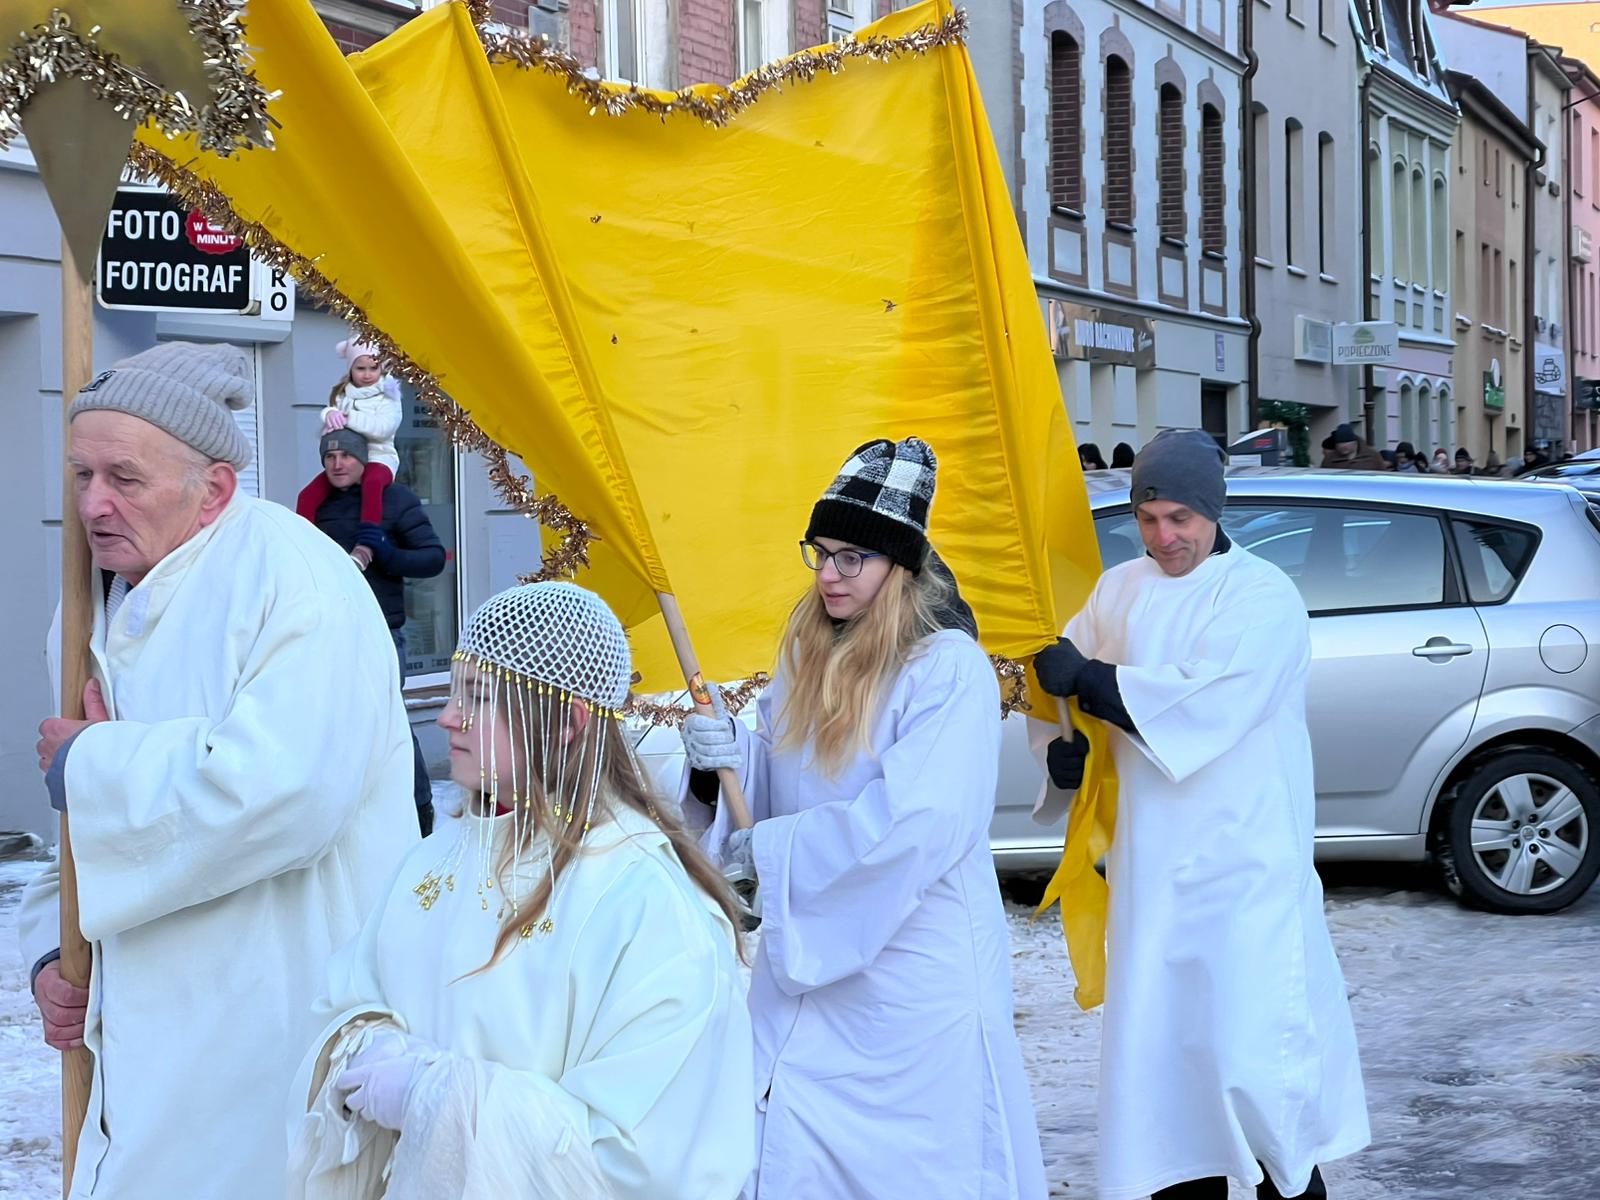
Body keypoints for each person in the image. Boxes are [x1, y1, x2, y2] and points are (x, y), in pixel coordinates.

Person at [23, 342, 418, 1200]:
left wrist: (95, 764)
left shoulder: (296, 581)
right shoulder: (88, 604)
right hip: (136, 1044)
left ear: (213, 490)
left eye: (124, 478)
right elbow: (80, 836)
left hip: (271, 1021)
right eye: (82, 474)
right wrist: (55, 951)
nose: (92, 503)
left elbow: (290, 792)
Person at [286, 582, 754, 1199]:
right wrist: (362, 1044)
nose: (448, 717)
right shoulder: (438, 854)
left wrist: (435, 1097)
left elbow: (644, 1157)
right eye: (454, 694)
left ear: (566, 722)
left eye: (478, 698)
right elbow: (349, 995)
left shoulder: (646, 900)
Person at [679, 437, 1046, 1199]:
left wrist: (771, 855)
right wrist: (719, 766)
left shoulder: (947, 669)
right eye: (821, 554)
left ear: (899, 567)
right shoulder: (808, 656)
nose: (828, 574)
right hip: (814, 966)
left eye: (853, 558)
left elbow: (919, 821)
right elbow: (775, 777)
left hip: (913, 977)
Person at [1029, 429, 1369, 1200]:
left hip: (1245, 871)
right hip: (1151, 876)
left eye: (1180, 518)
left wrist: (1092, 682)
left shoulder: (1260, 597)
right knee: (1167, 1071)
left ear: (1214, 511)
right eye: (1148, 519)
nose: (1163, 537)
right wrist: (1065, 746)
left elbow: (1208, 702)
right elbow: (1063, 691)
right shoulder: (1117, 590)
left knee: (1254, 1065)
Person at [310, 426, 447, 834]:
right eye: (330, 456)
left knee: (389, 721)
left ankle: (419, 811)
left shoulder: (395, 500)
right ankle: (354, 814)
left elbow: (432, 559)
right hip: (331, 629)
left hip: (383, 631)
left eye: (347, 456)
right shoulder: (313, 505)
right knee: (337, 720)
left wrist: (386, 552)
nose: (338, 464)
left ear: (363, 459)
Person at [295, 338, 402, 568]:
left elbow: (384, 428)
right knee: (308, 495)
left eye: (373, 368)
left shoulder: (389, 395)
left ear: (382, 367)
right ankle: (304, 545)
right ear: (351, 369)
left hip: (379, 457)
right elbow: (330, 420)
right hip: (347, 459)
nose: (367, 374)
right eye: (360, 368)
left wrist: (348, 418)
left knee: (372, 483)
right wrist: (328, 415)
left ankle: (366, 546)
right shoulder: (343, 395)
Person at [1319, 423, 1387, 470]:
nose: (1343, 446)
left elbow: (1382, 475)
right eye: (1340, 443)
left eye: (1347, 442)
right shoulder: (1329, 458)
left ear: (1355, 442)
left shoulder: (1372, 455)